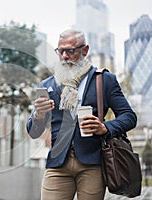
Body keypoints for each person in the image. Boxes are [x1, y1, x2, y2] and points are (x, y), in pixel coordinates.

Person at [26, 29, 137, 200]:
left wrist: (105, 127)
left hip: (92, 163)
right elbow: (33, 131)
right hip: (57, 164)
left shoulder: (104, 80)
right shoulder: (47, 85)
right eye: (60, 51)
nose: (64, 56)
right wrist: (38, 115)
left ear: (85, 50)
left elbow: (129, 116)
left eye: (70, 51)